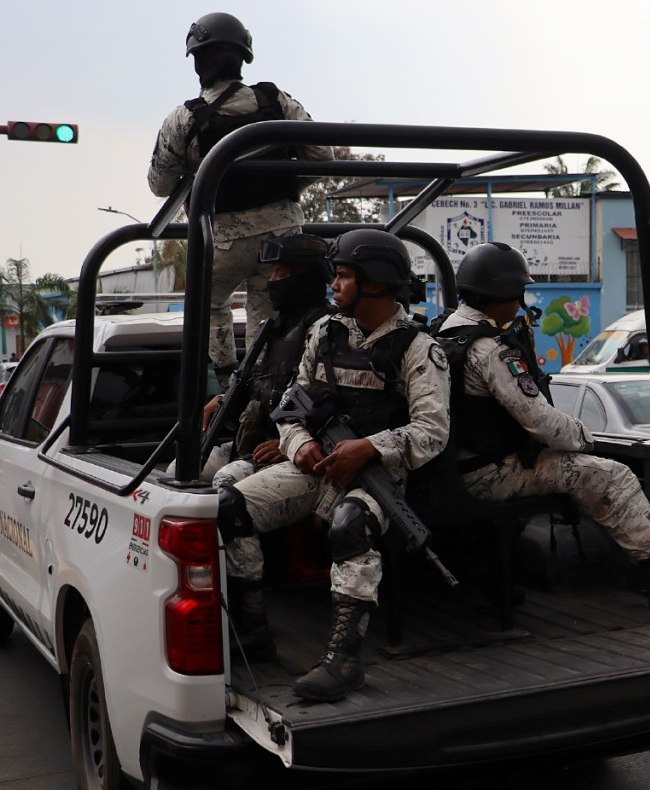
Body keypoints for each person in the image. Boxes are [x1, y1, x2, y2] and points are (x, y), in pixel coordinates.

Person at [433, 242, 650, 625]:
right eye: (519, 294)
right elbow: (542, 423)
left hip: (455, 469)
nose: (521, 303)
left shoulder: (443, 333)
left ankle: (491, 583)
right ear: (502, 293)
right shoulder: (491, 351)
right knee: (613, 477)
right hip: (489, 474)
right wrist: (587, 441)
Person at [216, 229, 450, 701]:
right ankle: (254, 625)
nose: (334, 285)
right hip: (317, 464)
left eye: (344, 276)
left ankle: (343, 660)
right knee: (229, 505)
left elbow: (432, 431)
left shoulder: (418, 348)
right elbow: (291, 401)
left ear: (378, 282)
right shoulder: (325, 332)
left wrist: (369, 447)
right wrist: (298, 442)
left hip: (380, 476)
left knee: (350, 524)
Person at [148, 12, 334, 388]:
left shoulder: (184, 119)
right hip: (285, 237)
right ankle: (264, 384)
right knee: (267, 313)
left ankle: (228, 380)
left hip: (224, 241)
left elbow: (159, 184)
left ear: (198, 61)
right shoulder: (277, 101)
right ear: (244, 57)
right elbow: (322, 157)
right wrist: (288, 187)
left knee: (207, 303)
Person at [170, 233, 335, 485]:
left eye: (280, 272)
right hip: (255, 442)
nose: (272, 281)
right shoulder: (275, 328)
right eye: (271, 273)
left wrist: (288, 443)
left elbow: (328, 402)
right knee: (178, 470)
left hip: (293, 447)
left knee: (226, 483)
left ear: (305, 277)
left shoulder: (325, 331)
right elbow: (264, 387)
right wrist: (223, 402)